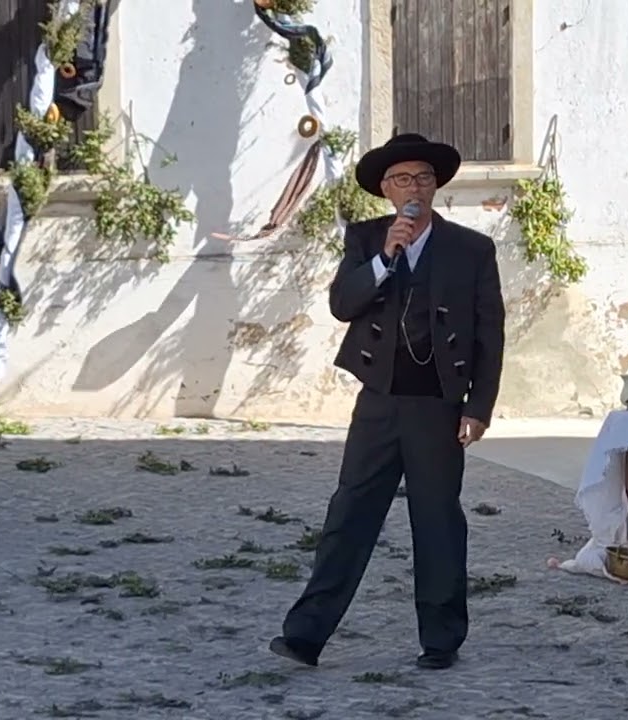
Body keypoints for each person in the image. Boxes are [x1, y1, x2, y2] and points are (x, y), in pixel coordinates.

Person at [269, 133, 505, 670]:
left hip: (439, 408)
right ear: (386, 190)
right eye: (403, 179)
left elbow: (490, 334)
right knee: (349, 513)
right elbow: (342, 304)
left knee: (438, 520)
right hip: (378, 403)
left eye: (423, 177)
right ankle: (305, 634)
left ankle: (441, 640)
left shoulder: (471, 250)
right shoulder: (367, 238)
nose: (415, 187)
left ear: (436, 186)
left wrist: (478, 407)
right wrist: (383, 258)